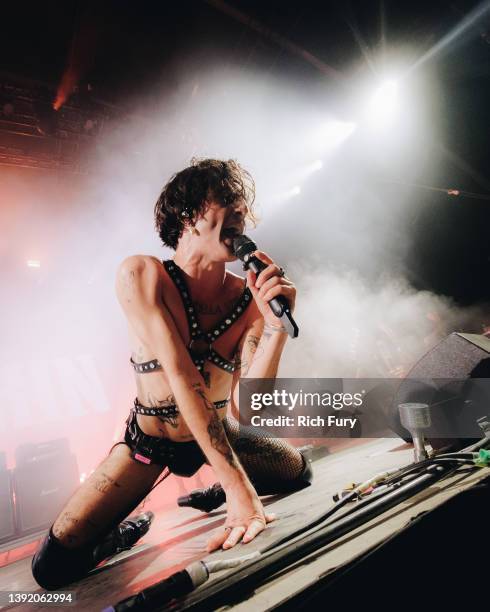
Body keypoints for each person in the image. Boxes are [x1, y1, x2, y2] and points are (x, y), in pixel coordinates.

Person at [31, 158, 313, 590]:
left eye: (242, 207)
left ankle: (218, 488)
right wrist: (241, 492)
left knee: (298, 472)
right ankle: (120, 534)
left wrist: (275, 328)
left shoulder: (248, 298)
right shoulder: (142, 275)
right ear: (187, 215)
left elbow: (250, 409)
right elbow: (183, 378)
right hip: (152, 444)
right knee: (52, 568)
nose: (239, 212)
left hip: (222, 432)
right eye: (226, 202)